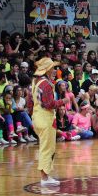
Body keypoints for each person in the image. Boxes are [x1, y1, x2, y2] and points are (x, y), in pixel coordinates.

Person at [32, 57, 70, 186]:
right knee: (47, 148)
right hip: (45, 118)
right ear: (47, 70)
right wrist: (62, 102)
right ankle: (45, 177)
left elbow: (30, 101)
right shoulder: (46, 84)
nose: (55, 70)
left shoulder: (35, 81)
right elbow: (49, 104)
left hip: (37, 117)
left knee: (45, 147)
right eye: (53, 68)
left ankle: (45, 176)